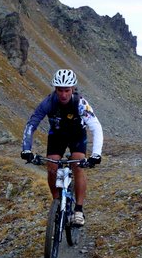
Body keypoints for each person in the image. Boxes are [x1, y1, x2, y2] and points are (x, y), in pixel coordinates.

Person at [21, 68, 103, 226]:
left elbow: (95, 127)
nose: (63, 94)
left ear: (73, 89)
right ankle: (57, 203)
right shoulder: (48, 102)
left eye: (67, 90)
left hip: (77, 136)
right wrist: (26, 149)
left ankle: (78, 210)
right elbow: (32, 124)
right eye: (60, 90)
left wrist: (96, 154)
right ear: (55, 89)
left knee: (78, 163)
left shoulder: (80, 103)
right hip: (57, 136)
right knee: (52, 165)